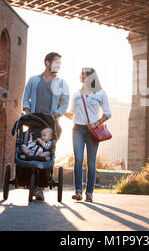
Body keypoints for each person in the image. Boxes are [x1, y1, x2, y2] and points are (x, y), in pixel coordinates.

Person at [22, 52, 69, 201]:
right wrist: (28, 111)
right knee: (31, 148)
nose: (59, 66)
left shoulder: (62, 83)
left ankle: (40, 187)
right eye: (56, 62)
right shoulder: (33, 80)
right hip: (34, 120)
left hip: (50, 123)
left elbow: (64, 102)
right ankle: (29, 181)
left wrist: (57, 114)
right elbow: (26, 98)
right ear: (47, 63)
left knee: (46, 150)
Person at [65, 67, 111, 202]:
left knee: (91, 162)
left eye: (83, 74)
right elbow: (71, 113)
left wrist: (96, 123)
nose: (81, 75)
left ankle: (89, 193)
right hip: (78, 129)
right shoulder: (76, 94)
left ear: (90, 77)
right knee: (78, 159)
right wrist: (61, 110)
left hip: (93, 131)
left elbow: (107, 113)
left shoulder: (100, 93)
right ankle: (78, 191)